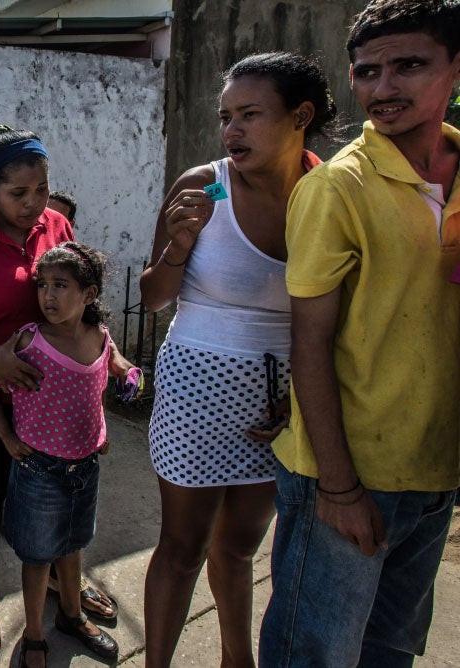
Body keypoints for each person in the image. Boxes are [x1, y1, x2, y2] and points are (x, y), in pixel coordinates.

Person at [259, 2, 460, 665]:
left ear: (454, 69)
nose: (384, 88)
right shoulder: (337, 189)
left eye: (409, 66)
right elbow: (308, 342)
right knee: (313, 653)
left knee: (391, 649)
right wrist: (339, 488)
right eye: (368, 72)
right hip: (345, 474)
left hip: (433, 468)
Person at [138, 51, 335, 667]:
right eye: (225, 117)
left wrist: (300, 396)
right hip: (196, 393)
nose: (231, 131)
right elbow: (151, 298)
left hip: (278, 406)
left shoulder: (329, 193)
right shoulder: (203, 185)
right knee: (182, 547)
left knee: (240, 550)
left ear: (300, 116)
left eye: (250, 115)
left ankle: (235, 659)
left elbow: (333, 315)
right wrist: (180, 243)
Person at [0, 130, 131, 655]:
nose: (32, 203)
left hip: (54, 394)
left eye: (41, 189)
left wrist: (108, 366)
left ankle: (61, 582)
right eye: (18, 192)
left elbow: (78, 296)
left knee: (62, 488)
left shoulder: (56, 225)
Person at [0, 242, 123, 666]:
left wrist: (106, 422)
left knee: (74, 545)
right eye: (43, 285)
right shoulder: (29, 341)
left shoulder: (99, 337)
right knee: (39, 557)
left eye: (61, 286)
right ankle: (35, 632)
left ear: (89, 294)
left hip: (86, 466)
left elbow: (101, 380)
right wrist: (5, 436)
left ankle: (72, 614)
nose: (48, 296)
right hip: (39, 470)